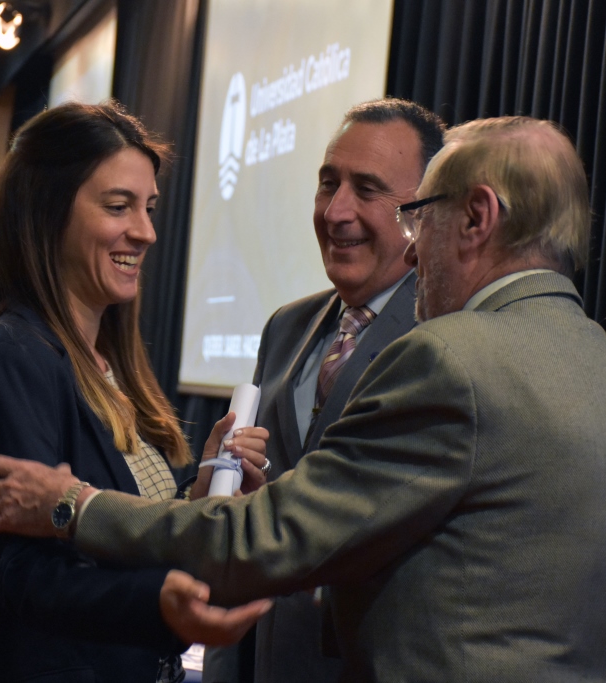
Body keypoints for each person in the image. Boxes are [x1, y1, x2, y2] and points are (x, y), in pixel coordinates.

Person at [0, 116, 606, 682]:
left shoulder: (451, 358)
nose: (412, 248)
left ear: (476, 217)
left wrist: (73, 505)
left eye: (416, 215)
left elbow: (276, 534)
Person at [0, 100, 270, 683]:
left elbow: (114, 535)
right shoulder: (11, 357)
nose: (146, 232)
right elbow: (31, 578)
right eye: (119, 207)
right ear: (46, 213)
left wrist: (199, 493)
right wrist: (161, 604)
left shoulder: (110, 364)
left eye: (148, 208)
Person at [203, 98, 445, 683]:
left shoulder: (445, 342)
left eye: (367, 189)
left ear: (423, 212)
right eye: (328, 184)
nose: (336, 211)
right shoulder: (286, 327)